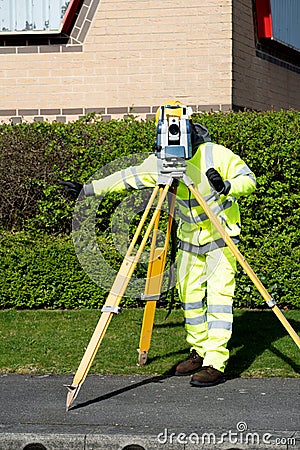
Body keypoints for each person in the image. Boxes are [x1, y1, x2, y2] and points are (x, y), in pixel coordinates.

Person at [62, 100, 256, 387]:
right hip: (190, 239)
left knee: (219, 298)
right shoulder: (160, 162)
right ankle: (199, 352)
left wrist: (227, 187)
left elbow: (248, 179)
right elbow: (127, 177)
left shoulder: (215, 154)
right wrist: (89, 189)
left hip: (220, 237)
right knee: (189, 296)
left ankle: (215, 362)